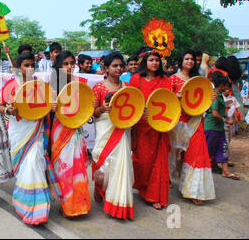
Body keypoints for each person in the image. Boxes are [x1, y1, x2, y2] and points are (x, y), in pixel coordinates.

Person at [0, 52, 54, 225]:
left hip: (36, 130)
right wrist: (9, 110)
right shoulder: (11, 84)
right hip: (18, 130)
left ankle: (38, 209)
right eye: (26, 65)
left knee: (34, 163)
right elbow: (0, 106)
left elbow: (49, 104)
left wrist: (52, 106)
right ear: (19, 67)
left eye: (32, 65)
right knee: (23, 166)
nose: (30, 69)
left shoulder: (40, 85)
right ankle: (24, 203)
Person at [169, 50, 216, 205]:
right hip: (177, 121)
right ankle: (165, 181)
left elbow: (204, 98)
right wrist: (176, 97)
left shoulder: (198, 79)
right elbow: (166, 100)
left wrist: (210, 96)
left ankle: (194, 191)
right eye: (186, 58)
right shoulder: (173, 79)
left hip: (195, 121)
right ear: (180, 61)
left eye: (192, 59)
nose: (190, 61)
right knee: (171, 154)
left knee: (197, 154)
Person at [91, 52, 135, 219]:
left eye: (120, 65)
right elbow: (93, 113)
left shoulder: (127, 87)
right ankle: (99, 186)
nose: (118, 68)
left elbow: (133, 109)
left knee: (120, 165)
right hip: (105, 126)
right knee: (104, 163)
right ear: (106, 68)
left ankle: (118, 202)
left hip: (122, 129)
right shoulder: (99, 87)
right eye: (114, 66)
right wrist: (102, 109)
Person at [49, 50, 91, 218]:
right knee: (64, 169)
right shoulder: (51, 86)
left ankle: (80, 205)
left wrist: (92, 103)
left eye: (72, 63)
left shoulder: (79, 84)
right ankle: (67, 205)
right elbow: (43, 111)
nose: (69, 67)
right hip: (60, 131)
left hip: (76, 131)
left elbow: (85, 108)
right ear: (58, 66)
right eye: (65, 64)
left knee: (78, 168)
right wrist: (49, 107)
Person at [129, 48, 172, 210]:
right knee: (141, 161)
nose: (154, 63)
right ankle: (142, 187)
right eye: (151, 60)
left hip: (159, 126)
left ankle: (154, 195)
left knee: (158, 162)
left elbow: (170, 103)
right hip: (140, 126)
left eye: (156, 60)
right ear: (144, 62)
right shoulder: (135, 79)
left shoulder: (165, 80)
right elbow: (132, 101)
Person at [204, 71, 240, 180]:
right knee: (208, 149)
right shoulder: (214, 96)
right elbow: (215, 113)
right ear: (222, 85)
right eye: (225, 85)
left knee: (223, 147)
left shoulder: (218, 96)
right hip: (212, 127)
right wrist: (226, 120)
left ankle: (225, 171)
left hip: (218, 127)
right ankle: (201, 170)